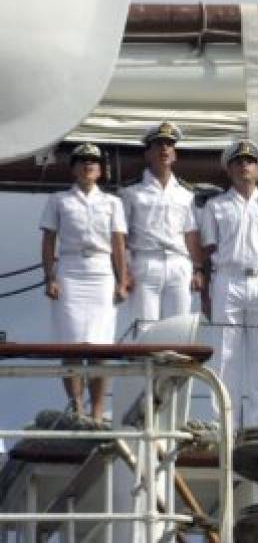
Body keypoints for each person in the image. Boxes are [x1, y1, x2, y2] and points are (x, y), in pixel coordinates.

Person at [40, 143, 128, 420]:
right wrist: (49, 277)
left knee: (100, 347)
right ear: (73, 168)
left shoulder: (112, 202)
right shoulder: (59, 200)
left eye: (93, 161)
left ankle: (98, 410)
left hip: (101, 271)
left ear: (100, 170)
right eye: (82, 161)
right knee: (72, 346)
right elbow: (48, 239)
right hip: (70, 270)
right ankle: (78, 407)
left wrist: (122, 281)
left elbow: (118, 243)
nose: (88, 165)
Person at [200, 139, 258, 431]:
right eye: (238, 162)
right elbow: (209, 253)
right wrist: (206, 295)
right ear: (229, 169)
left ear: (257, 168)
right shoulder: (216, 206)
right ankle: (225, 417)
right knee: (225, 352)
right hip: (227, 278)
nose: (244, 166)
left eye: (249, 162)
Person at [121, 121, 203, 326]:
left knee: (178, 328)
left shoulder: (186, 194)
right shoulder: (131, 193)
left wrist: (197, 269)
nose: (164, 149)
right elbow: (122, 235)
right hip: (145, 263)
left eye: (169, 144)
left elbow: (190, 233)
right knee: (144, 328)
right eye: (158, 144)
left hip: (179, 264)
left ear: (175, 154)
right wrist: (124, 272)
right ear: (147, 153)